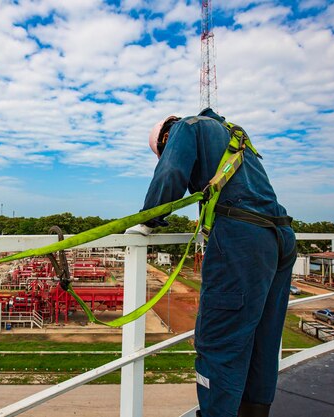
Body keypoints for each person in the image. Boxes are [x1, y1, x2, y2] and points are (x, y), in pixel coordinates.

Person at [126, 108, 296, 417]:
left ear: (166, 137)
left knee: (218, 341)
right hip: (279, 236)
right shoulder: (233, 133)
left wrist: (148, 221)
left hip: (244, 240)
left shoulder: (186, 128)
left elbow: (171, 174)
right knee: (263, 339)